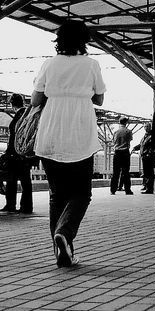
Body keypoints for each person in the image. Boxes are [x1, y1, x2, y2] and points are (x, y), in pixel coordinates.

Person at [32, 20, 105, 267]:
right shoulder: (91, 64)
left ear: (59, 40)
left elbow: (35, 100)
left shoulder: (49, 64)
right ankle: (64, 232)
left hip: (51, 131)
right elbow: (100, 99)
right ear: (84, 40)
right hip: (80, 133)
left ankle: (62, 251)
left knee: (57, 196)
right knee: (81, 194)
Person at [0, 94, 33, 214]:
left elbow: (16, 136)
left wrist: (10, 152)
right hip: (23, 154)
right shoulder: (26, 114)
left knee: (13, 180)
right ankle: (26, 206)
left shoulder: (21, 115)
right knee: (24, 181)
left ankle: (12, 205)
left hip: (17, 154)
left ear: (12, 104)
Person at [109, 117, 134, 195]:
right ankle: (127, 190)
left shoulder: (116, 132)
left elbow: (113, 141)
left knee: (115, 172)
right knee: (126, 172)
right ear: (126, 122)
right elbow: (129, 140)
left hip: (117, 153)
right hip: (125, 152)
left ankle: (113, 190)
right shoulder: (128, 131)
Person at [139, 123, 155, 194]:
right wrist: (136, 148)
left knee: (149, 173)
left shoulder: (152, 135)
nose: (146, 128)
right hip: (144, 156)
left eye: (147, 126)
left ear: (150, 127)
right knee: (146, 172)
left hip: (148, 157)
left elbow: (152, 146)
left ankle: (149, 188)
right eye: (145, 126)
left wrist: (149, 153)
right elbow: (142, 145)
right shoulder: (146, 135)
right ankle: (147, 186)